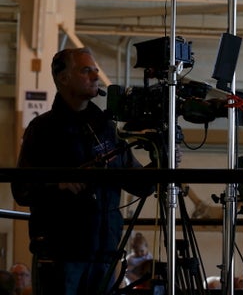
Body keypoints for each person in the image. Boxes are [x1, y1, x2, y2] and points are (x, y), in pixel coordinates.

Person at [11, 47, 155, 295]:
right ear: (63, 78)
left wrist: (161, 164)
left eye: (95, 70)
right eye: (86, 70)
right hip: (61, 257)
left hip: (104, 257)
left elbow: (138, 183)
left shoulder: (106, 129)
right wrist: (58, 185)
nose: (95, 76)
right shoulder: (43, 130)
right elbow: (21, 190)